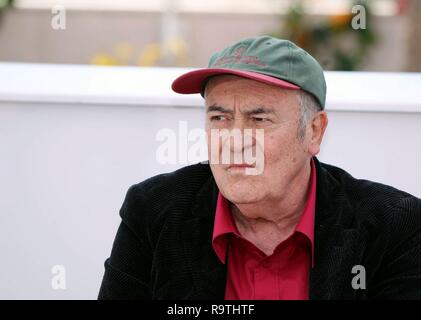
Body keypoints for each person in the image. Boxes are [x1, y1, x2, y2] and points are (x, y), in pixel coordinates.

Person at [98, 36, 421, 300]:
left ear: (314, 132)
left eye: (259, 119)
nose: (235, 141)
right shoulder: (155, 209)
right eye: (219, 118)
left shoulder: (396, 225)